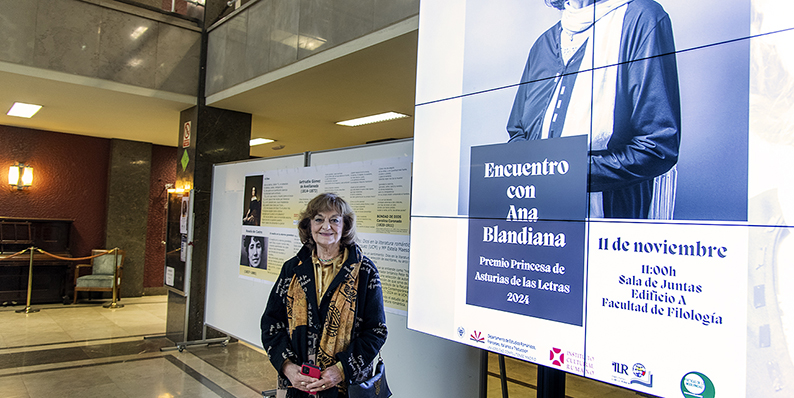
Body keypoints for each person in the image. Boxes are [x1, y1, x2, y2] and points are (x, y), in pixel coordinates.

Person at [506, 0, 681, 219]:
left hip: (612, 217)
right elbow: (517, 134)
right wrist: (537, 173)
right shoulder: (543, 44)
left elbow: (657, 146)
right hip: (540, 218)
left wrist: (563, 172)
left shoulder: (641, 19)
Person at [261, 193, 387, 397]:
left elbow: (376, 331)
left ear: (345, 226)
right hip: (299, 386)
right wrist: (288, 368)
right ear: (309, 225)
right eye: (319, 219)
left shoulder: (364, 271)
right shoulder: (292, 269)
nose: (326, 226)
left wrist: (341, 370)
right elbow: (272, 323)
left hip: (344, 389)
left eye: (334, 220)